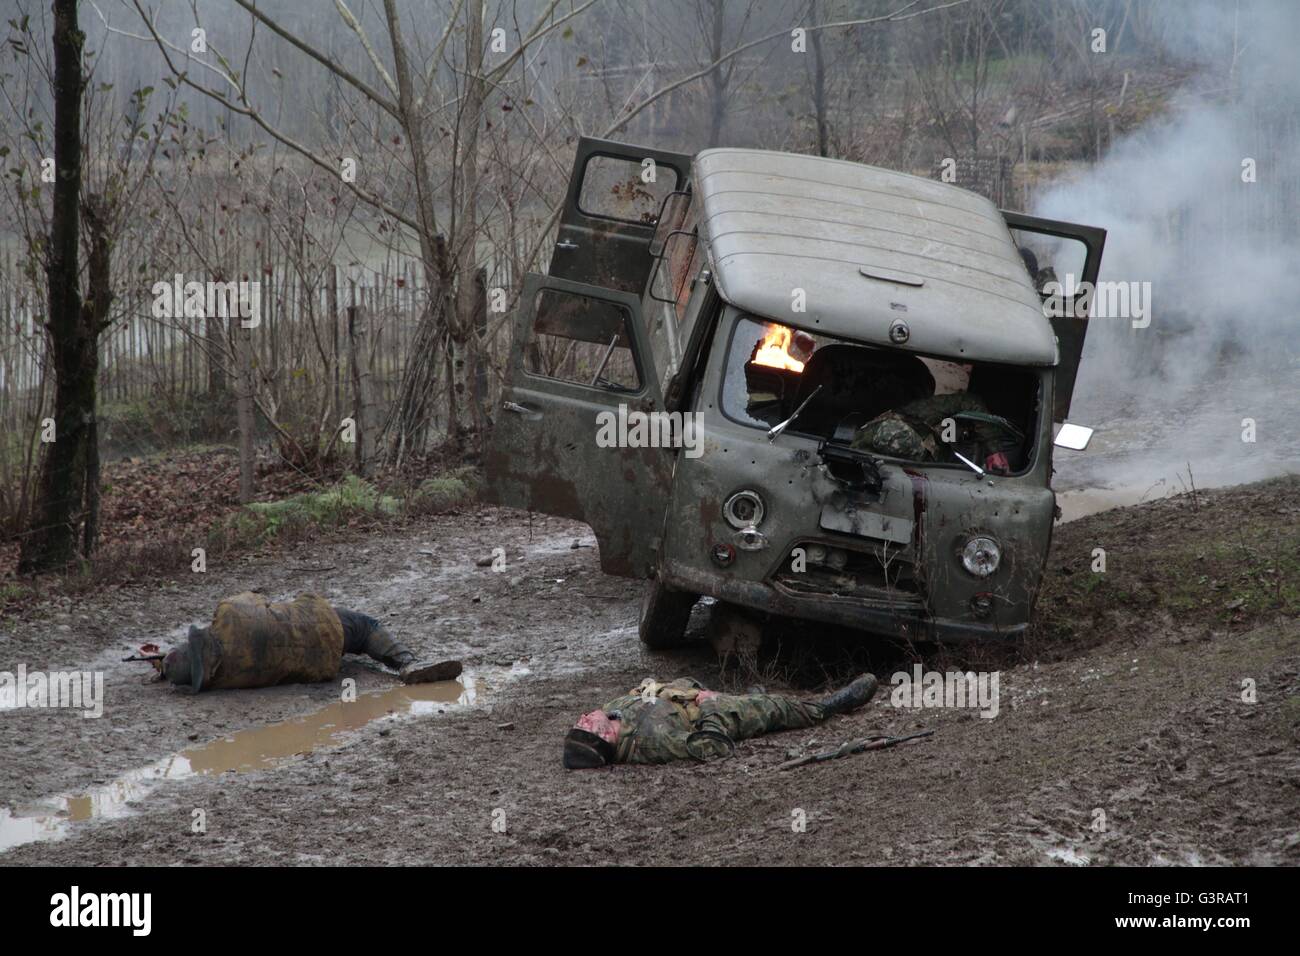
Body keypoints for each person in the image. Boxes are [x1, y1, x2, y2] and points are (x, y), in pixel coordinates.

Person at [154, 591, 460, 692]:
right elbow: (262, 600)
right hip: (321, 625)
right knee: (367, 627)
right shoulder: (228, 612)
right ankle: (406, 663)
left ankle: (381, 660)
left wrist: (166, 670)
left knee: (345, 649)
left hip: (321, 667)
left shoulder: (230, 680)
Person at [563, 673, 878, 768]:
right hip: (711, 712)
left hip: (685, 691)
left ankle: (748, 696)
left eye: (579, 722)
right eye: (585, 725)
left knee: (747, 697)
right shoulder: (651, 742)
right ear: (605, 738)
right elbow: (712, 748)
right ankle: (830, 706)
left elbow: (644, 694)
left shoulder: (609, 712)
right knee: (776, 708)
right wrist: (712, 707)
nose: (583, 717)